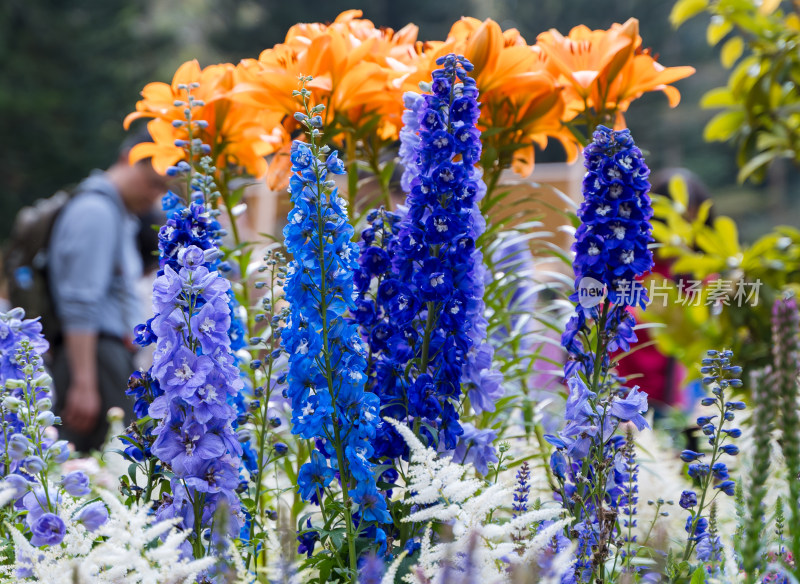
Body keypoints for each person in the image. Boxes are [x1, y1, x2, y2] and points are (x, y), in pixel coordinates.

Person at [48, 128, 169, 452]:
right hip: (94, 359)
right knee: (93, 470)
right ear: (129, 158)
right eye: (153, 182)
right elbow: (80, 302)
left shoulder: (117, 215)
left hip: (105, 357)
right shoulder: (96, 212)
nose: (155, 195)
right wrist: (84, 384)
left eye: (163, 189)